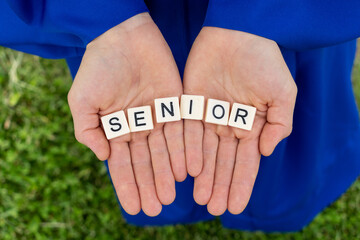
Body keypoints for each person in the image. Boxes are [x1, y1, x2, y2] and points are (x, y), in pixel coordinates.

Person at [1, 0, 359, 232]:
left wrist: (257, 18)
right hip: (127, 23)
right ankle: (177, 205)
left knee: (285, 123)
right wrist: (101, 18)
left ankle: (281, 203)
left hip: (284, 17)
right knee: (156, 146)